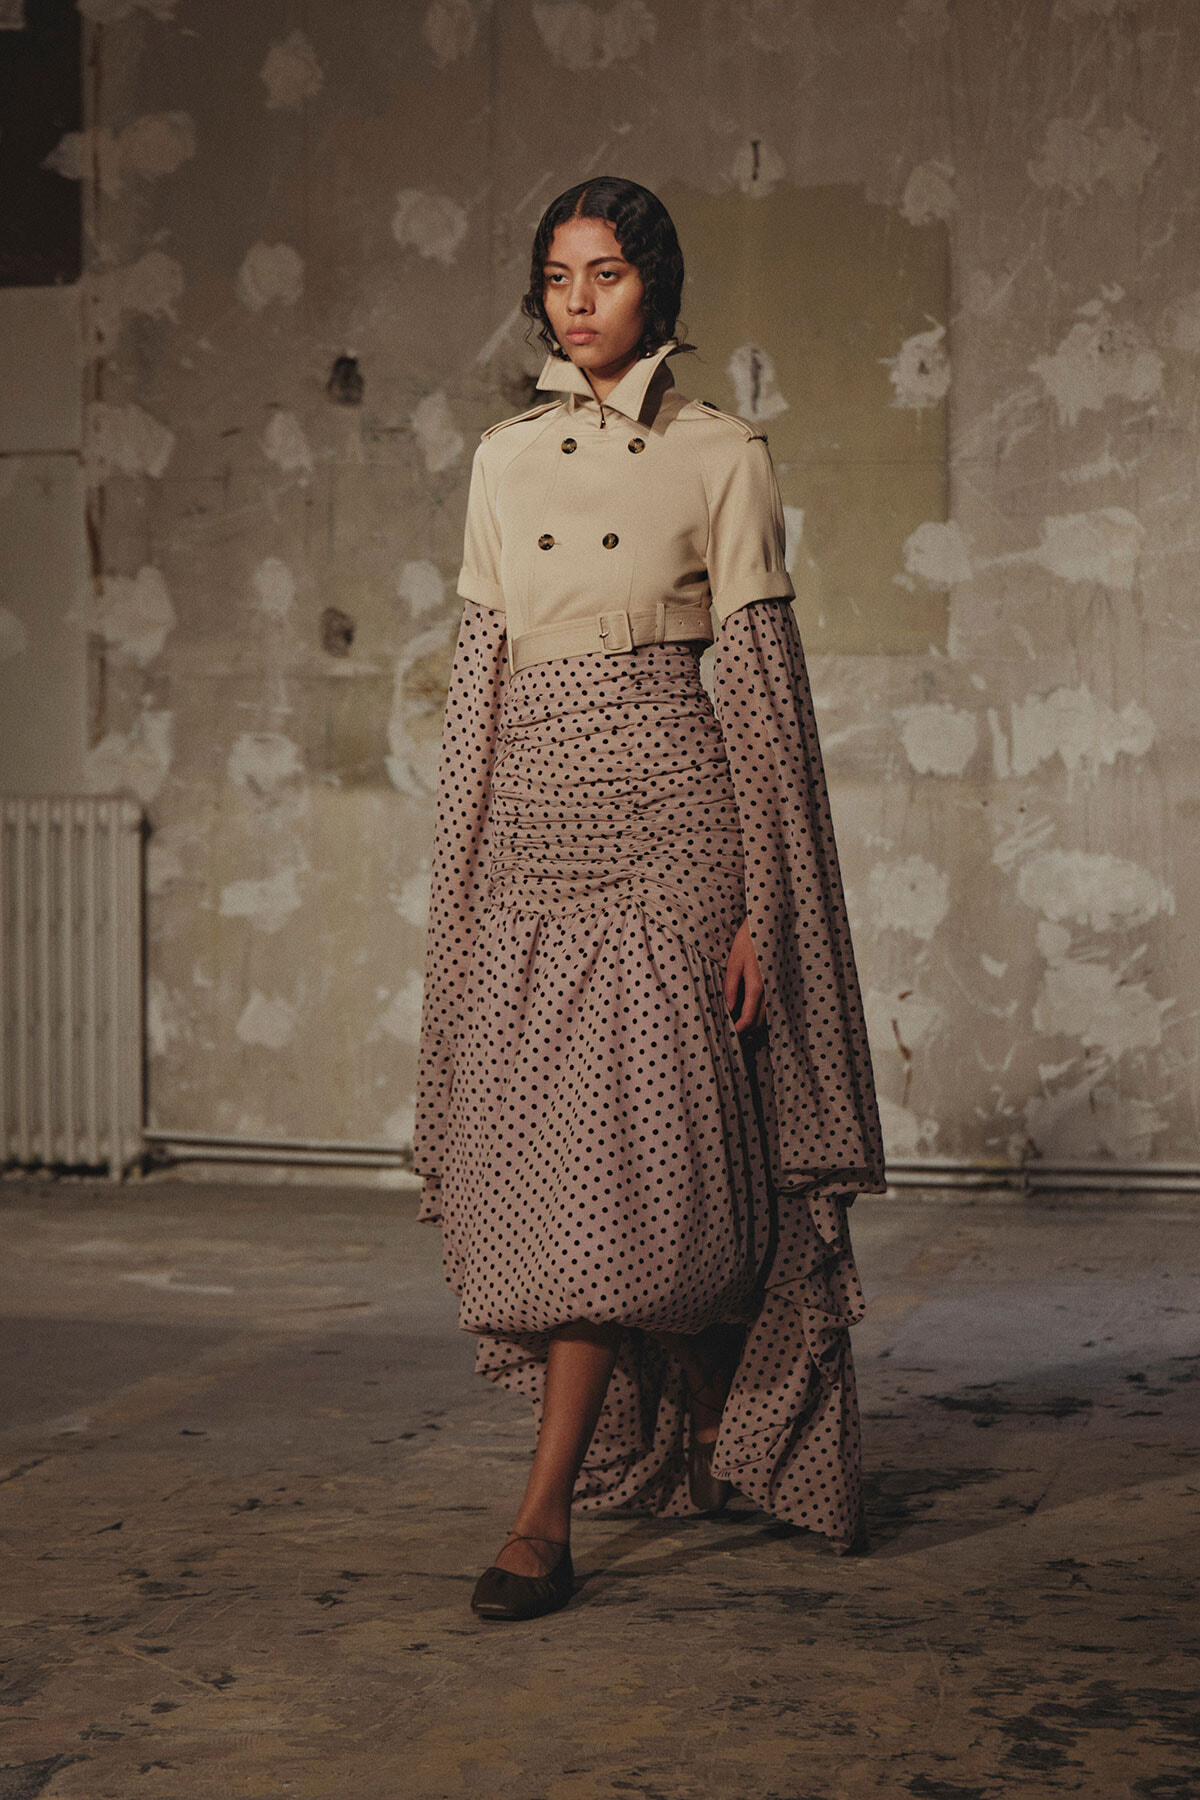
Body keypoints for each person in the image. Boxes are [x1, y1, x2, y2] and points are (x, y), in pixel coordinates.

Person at [414, 176, 885, 1623]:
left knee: (638, 1156)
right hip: (535, 818)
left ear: (655, 292)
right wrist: (464, 870)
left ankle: (543, 1514)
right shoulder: (501, 460)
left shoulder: (725, 455)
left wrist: (765, 901)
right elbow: (477, 683)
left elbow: (757, 693)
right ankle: (700, 1436)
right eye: (557, 275)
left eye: (606, 275)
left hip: (674, 814)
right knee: (584, 1155)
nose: (578, 300)